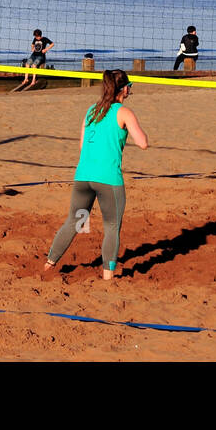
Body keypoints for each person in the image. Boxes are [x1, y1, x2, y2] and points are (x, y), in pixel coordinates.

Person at [44, 69, 148, 280]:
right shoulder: (124, 112)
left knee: (74, 221)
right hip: (108, 180)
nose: (130, 90)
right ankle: (108, 278)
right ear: (124, 89)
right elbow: (143, 143)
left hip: (83, 177)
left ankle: (48, 264)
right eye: (130, 86)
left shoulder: (91, 110)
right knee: (111, 226)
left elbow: (83, 145)